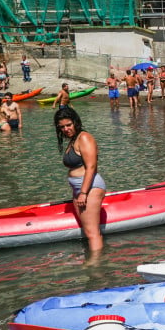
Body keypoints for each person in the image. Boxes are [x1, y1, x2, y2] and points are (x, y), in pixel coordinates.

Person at [56, 106, 106, 252]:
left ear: (76, 122)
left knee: (92, 233)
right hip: (79, 189)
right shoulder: (73, 140)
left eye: (68, 125)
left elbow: (91, 167)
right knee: (88, 231)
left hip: (90, 188)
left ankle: (96, 265)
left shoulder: (84, 137)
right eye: (62, 127)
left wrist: (83, 192)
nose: (66, 129)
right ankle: (93, 257)